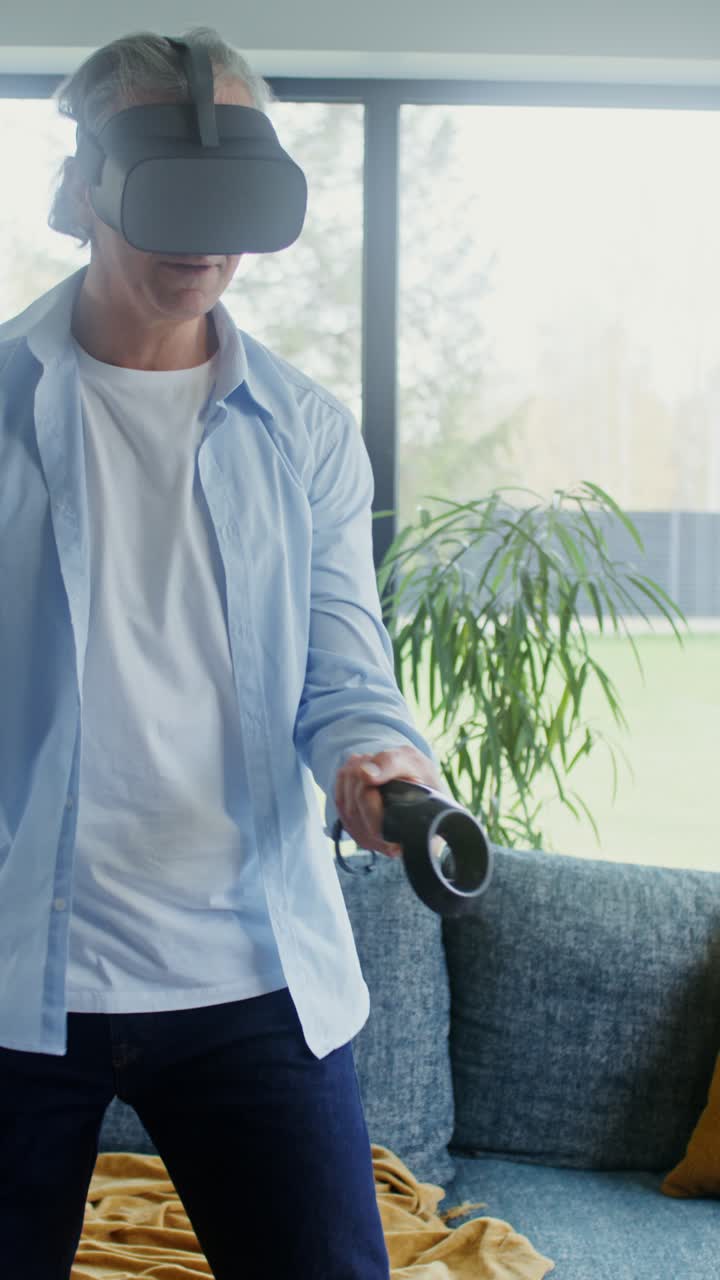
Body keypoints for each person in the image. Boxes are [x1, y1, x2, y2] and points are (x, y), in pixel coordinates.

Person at [0, 25, 445, 1280]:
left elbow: (346, 678)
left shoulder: (303, 431)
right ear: (85, 187)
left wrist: (376, 760)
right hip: (18, 973)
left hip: (252, 974)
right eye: (166, 187)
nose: (206, 237)